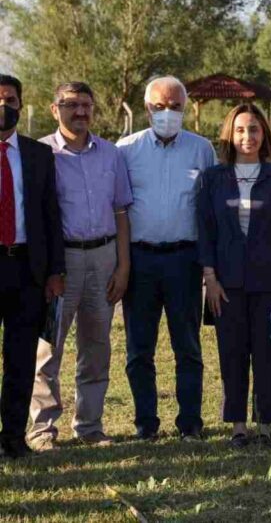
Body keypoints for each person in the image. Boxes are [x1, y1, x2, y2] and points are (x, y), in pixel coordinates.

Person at [29, 82, 132, 451]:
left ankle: (89, 426)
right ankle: (41, 430)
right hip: (62, 262)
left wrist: (123, 267)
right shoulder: (40, 153)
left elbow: (121, 212)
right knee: (47, 348)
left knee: (97, 345)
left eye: (86, 104)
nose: (80, 112)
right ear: (54, 109)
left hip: (104, 258)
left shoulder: (110, 154)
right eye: (71, 105)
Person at [118, 76, 215, 441]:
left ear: (185, 108)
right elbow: (119, 209)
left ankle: (190, 424)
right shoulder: (125, 150)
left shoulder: (202, 150)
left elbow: (209, 211)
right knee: (138, 348)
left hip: (184, 260)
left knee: (187, 347)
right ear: (146, 109)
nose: (167, 113)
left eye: (175, 106)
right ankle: (146, 424)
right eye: (159, 106)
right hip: (140, 260)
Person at [198, 104, 271, 448]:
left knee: (267, 354)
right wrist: (209, 277)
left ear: (264, 134)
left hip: (268, 282)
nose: (247, 136)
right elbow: (205, 229)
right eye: (240, 130)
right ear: (229, 134)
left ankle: (266, 423)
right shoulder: (212, 179)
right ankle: (238, 425)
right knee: (232, 353)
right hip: (225, 284)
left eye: (254, 129)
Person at [0, 74, 64, 458]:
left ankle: (12, 437)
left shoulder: (37, 155)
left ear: (21, 105)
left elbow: (50, 216)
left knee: (22, 358)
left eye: (10, 98)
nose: (3, 105)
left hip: (26, 269)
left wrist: (55, 272)